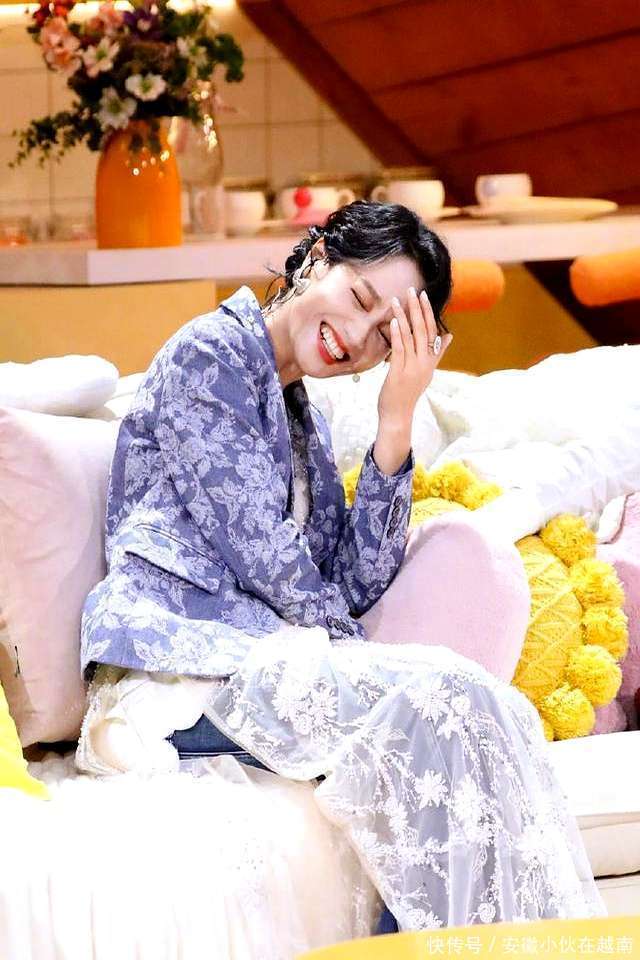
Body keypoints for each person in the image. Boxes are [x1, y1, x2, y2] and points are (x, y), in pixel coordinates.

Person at [75, 200, 605, 933]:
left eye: (387, 335)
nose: (357, 336)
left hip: (253, 664)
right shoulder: (211, 357)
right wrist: (362, 654)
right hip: (175, 672)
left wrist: (397, 421)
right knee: (449, 697)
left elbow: (354, 584)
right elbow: (272, 562)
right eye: (360, 298)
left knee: (478, 711)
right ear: (318, 257)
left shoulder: (304, 418)